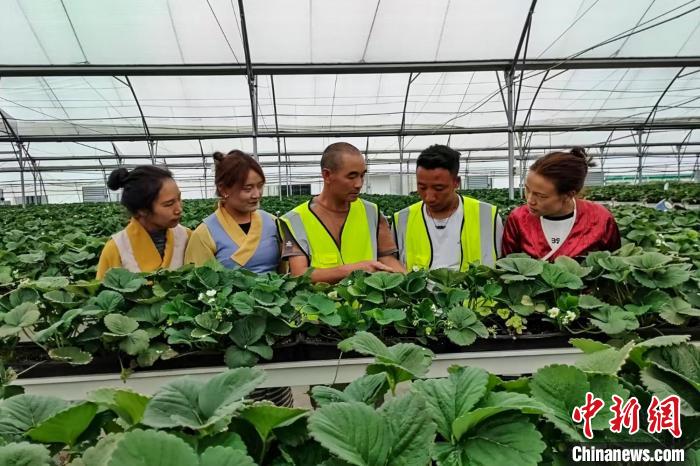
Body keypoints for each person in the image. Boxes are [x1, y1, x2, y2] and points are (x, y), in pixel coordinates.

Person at [279, 142, 405, 283]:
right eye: (351, 176)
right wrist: (356, 269)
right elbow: (299, 275)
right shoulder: (296, 219)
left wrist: (406, 278)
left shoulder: (372, 212)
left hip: (368, 296)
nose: (359, 184)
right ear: (327, 175)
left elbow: (387, 258)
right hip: (318, 297)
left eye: (362, 176)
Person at [393, 145, 503, 271]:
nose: (429, 197)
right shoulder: (402, 219)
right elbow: (392, 265)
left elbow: (502, 266)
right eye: (422, 187)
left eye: (438, 188)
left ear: (456, 182)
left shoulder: (487, 215)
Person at [502, 147, 621, 260]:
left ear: (568, 195)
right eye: (527, 189)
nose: (530, 200)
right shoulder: (518, 218)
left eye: (541, 196)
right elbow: (506, 265)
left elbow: (614, 262)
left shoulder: (600, 218)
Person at [184, 150, 280, 273]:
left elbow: (289, 269)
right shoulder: (204, 233)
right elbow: (198, 278)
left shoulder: (273, 222)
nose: (256, 194)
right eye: (247, 188)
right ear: (223, 189)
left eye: (260, 186)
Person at [96, 166, 190, 279]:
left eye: (179, 198)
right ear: (142, 210)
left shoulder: (187, 237)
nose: (179, 209)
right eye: (169, 204)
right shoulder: (116, 248)